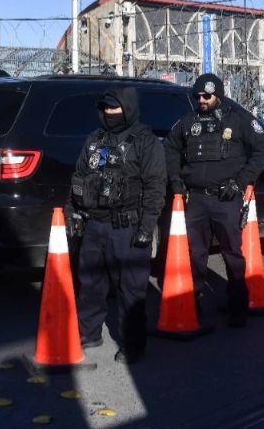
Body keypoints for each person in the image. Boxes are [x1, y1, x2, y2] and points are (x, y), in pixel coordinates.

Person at [65, 87, 166, 364]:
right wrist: (71, 212)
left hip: (128, 227)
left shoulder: (145, 142)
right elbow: (79, 176)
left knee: (131, 288)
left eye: (115, 108)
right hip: (95, 225)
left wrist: (147, 227)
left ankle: (133, 345)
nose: (110, 114)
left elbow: (156, 186)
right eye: (106, 109)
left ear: (128, 108)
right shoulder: (95, 140)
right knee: (90, 284)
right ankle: (89, 332)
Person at [164, 73, 264, 328]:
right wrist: (176, 178)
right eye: (198, 96)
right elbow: (170, 147)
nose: (201, 100)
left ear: (218, 95)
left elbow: (263, 150)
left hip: (226, 197)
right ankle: (193, 304)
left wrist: (240, 181)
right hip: (196, 199)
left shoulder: (239, 119)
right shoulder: (189, 121)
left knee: (232, 254)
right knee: (195, 254)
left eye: (207, 96)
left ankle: (237, 306)